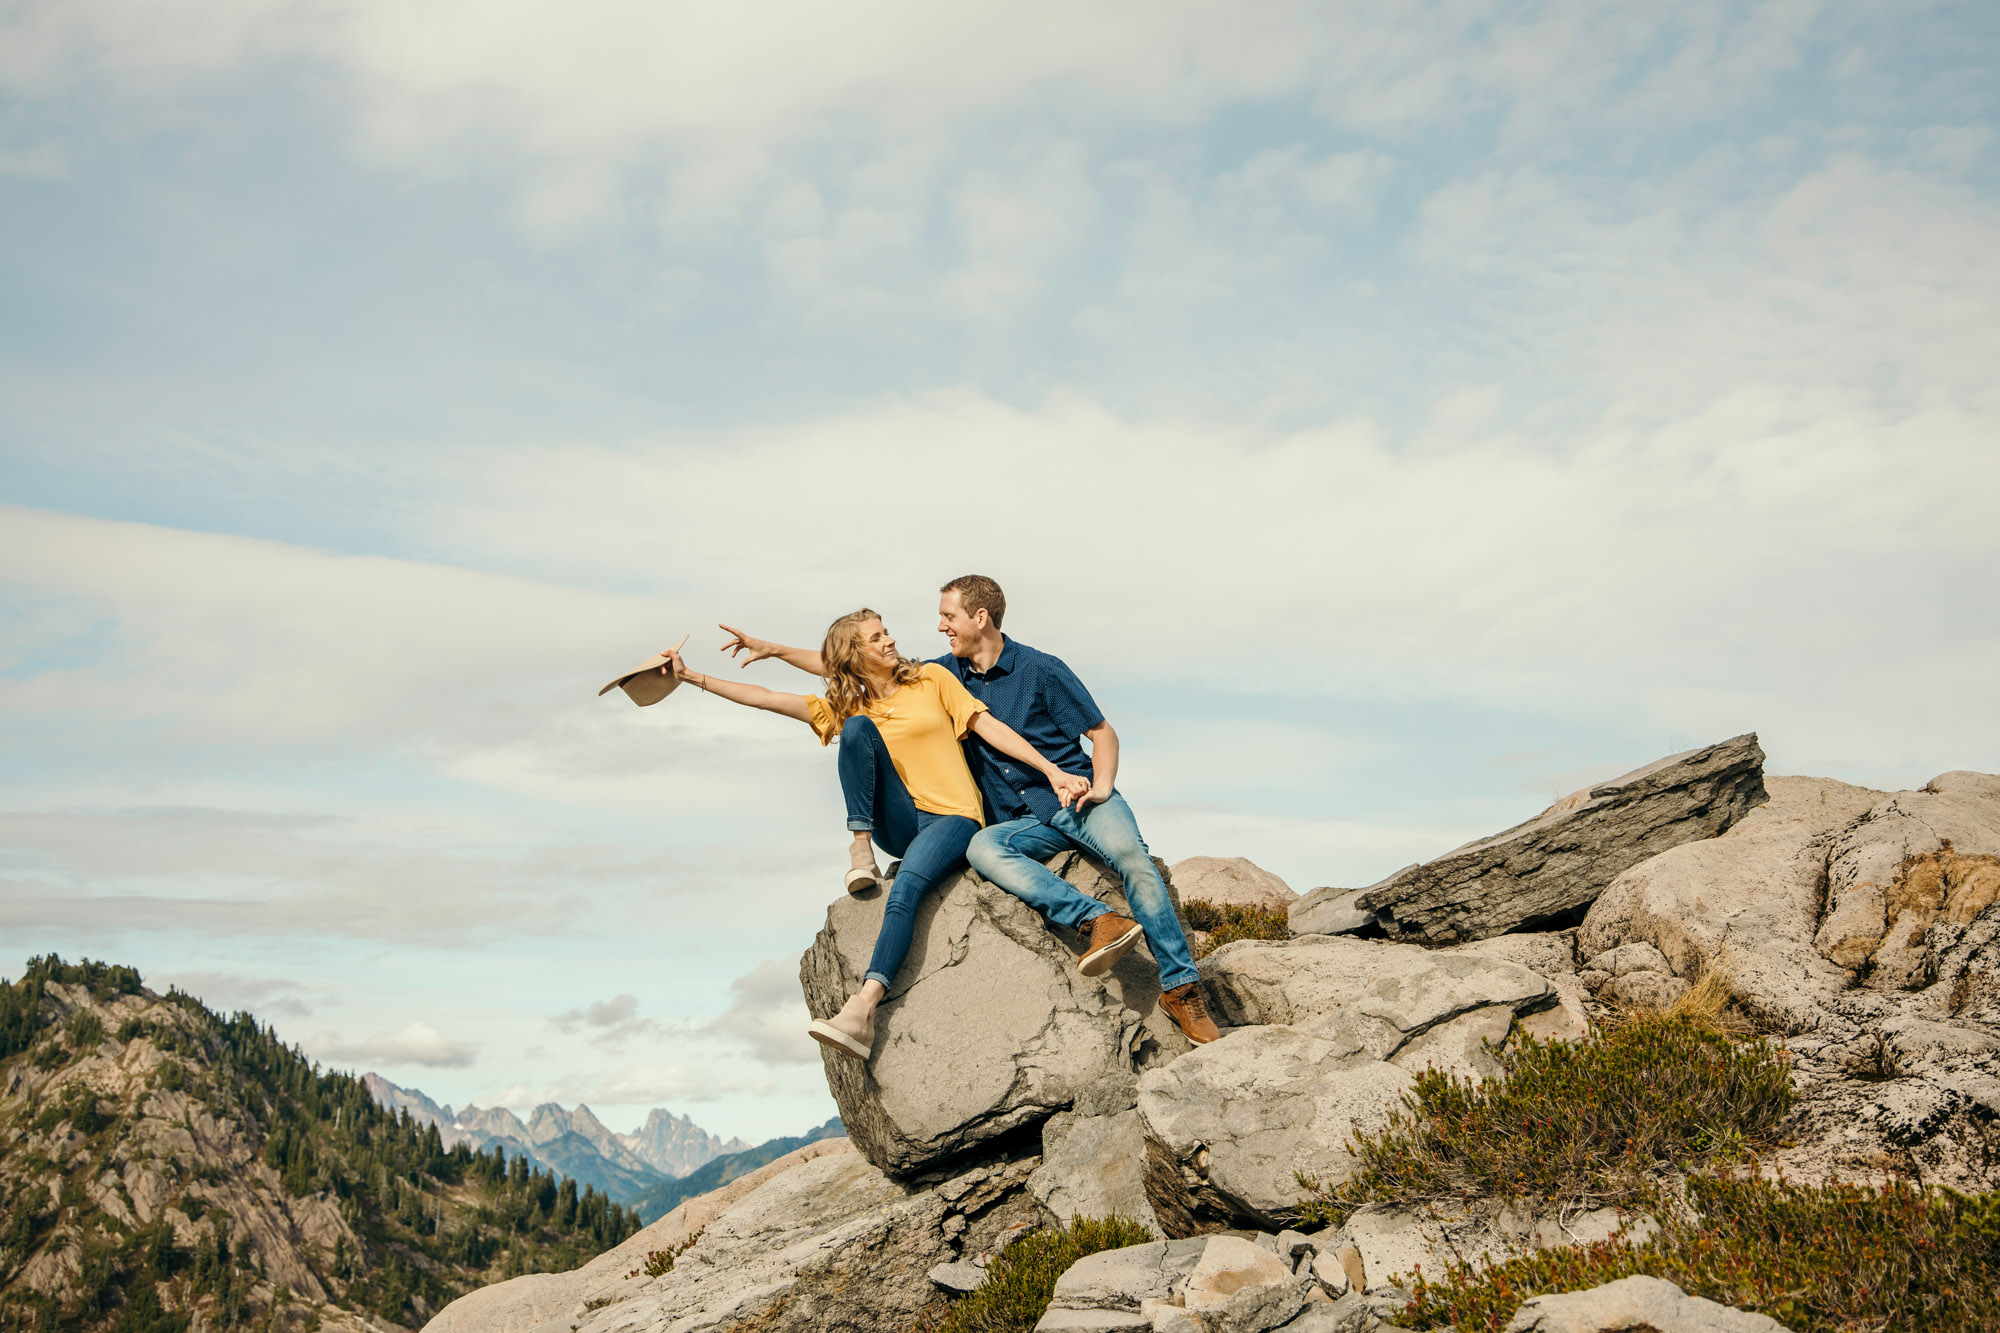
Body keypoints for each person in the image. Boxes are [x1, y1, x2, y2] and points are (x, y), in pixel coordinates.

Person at [718, 577, 1221, 1045]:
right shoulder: (943, 670)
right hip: (1016, 818)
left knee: (1132, 859)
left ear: (979, 618)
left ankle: (1181, 989)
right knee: (984, 849)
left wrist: (1101, 787)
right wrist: (772, 650)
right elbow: (851, 664)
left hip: (1075, 796)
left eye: (948, 617)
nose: (939, 627)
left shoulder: (1038, 669)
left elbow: (1101, 732)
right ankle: (1097, 921)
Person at [654, 609, 1089, 1063]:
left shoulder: (932, 679)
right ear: (856, 653)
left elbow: (989, 728)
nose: (890, 641)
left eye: (886, 633)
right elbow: (765, 698)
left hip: (954, 818)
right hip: (898, 824)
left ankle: (862, 1009)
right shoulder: (852, 705)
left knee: (905, 893)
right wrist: (690, 677)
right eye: (877, 637)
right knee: (857, 728)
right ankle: (859, 844)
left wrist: (1051, 770)